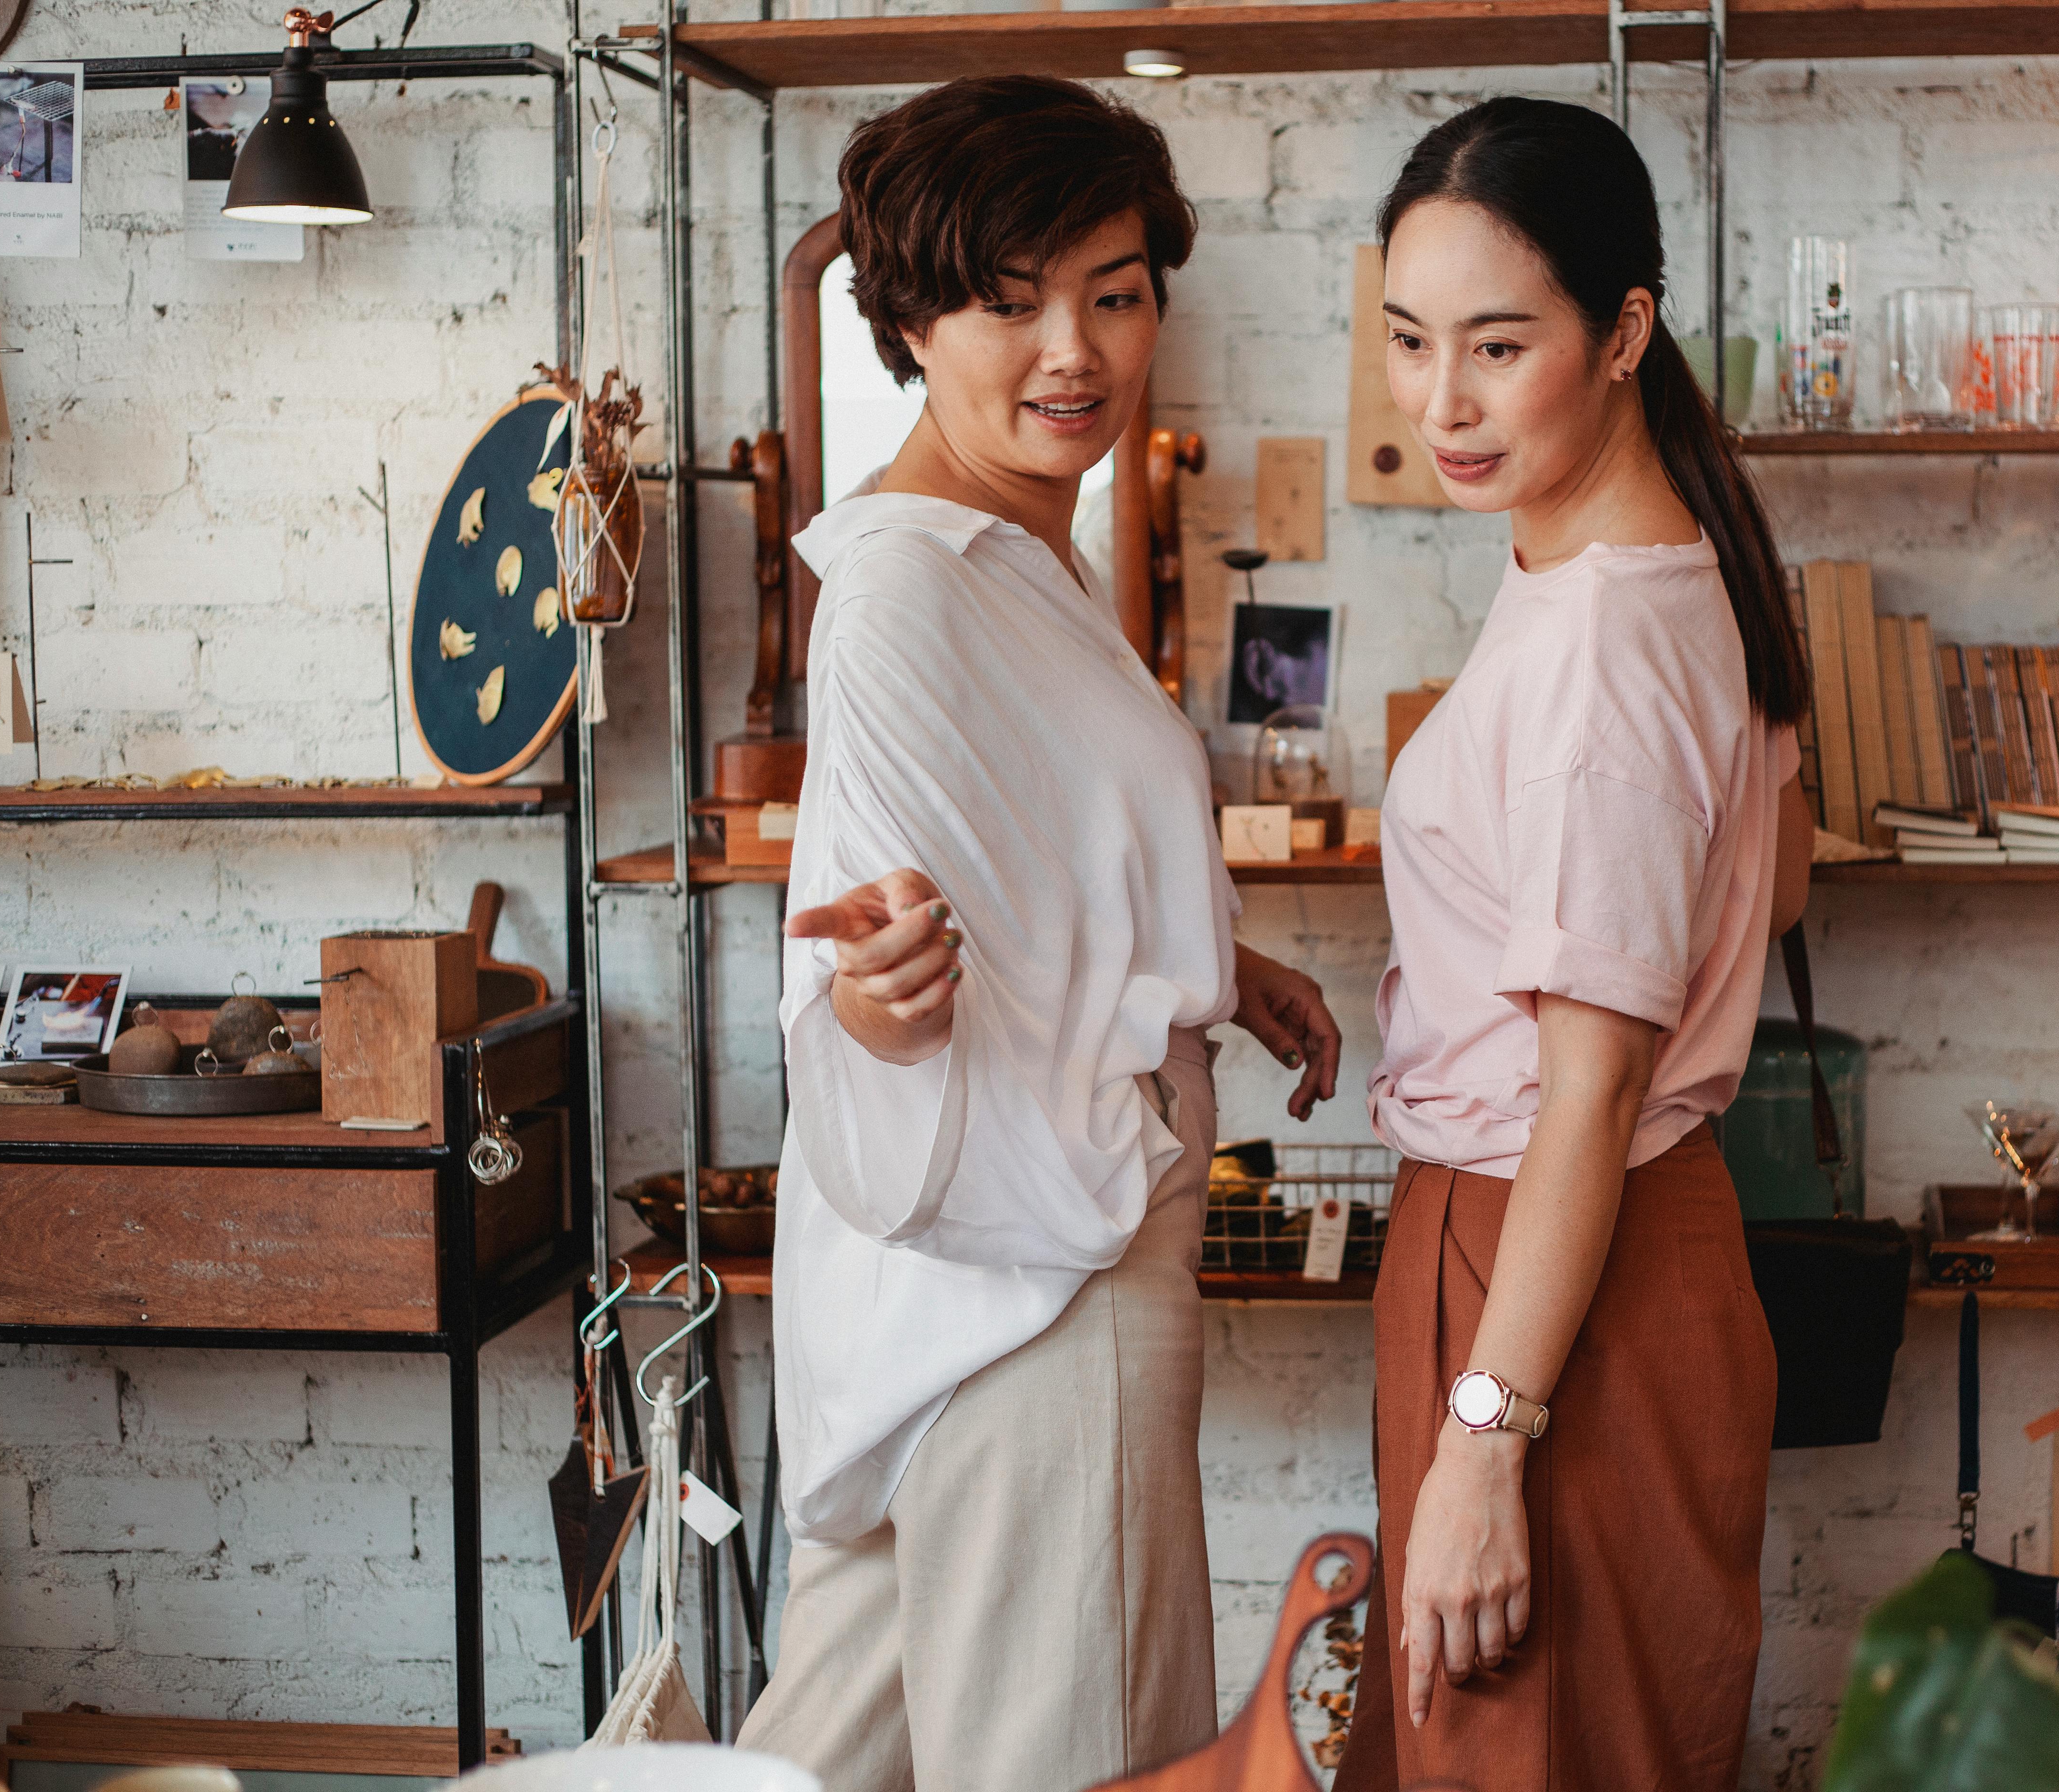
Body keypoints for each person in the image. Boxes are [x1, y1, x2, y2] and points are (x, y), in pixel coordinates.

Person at [734, 75, 1343, 1792]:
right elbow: (875, 956)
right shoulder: (918, 588)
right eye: (1009, 302)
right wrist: (887, 1015)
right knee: (1078, 1767)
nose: (1072, 349)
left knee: (827, 1767)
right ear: (911, 323)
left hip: (969, 1293)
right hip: (1038, 1285)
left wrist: (1217, 966)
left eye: (1116, 291)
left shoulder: (1020, 559)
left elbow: (1049, 875)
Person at [1334, 97, 1815, 1792]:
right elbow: (1783, 890)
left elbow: (1590, 1097)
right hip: (1617, 1257)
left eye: (1496, 345)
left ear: (1624, 334)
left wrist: (1481, 1444)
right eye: (1406, 340)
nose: (1439, 403)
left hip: (1545, 1271)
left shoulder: (1604, 639)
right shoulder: (1667, 562)